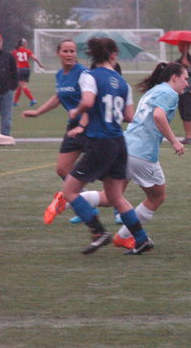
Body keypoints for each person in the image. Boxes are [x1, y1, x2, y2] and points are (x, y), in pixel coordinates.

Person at [48, 62, 189, 250]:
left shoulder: (154, 91)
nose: (187, 83)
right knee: (157, 197)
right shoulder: (170, 93)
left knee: (112, 197)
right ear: (174, 77)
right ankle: (124, 236)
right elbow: (158, 115)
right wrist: (174, 141)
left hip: (124, 147)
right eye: (185, 78)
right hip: (142, 153)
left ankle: (66, 198)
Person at [53, 37, 153, 254]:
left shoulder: (89, 76)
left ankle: (98, 232)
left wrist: (77, 111)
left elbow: (88, 101)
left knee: (69, 191)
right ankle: (141, 239)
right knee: (115, 197)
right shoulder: (123, 83)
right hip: (119, 142)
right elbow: (129, 116)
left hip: (100, 142)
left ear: (92, 54)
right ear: (113, 54)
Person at [23, 39, 97, 224]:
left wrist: (83, 123)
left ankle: (119, 210)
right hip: (73, 127)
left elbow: (90, 100)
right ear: (58, 53)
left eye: (72, 51)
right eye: (66, 51)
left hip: (89, 126)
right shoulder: (60, 75)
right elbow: (58, 97)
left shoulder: (82, 73)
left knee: (104, 172)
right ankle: (85, 203)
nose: (69, 54)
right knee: (63, 169)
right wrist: (38, 112)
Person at [176, 41, 191, 144]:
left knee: (187, 113)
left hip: (189, 90)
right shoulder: (178, 61)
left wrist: (188, 65)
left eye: (183, 46)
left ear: (188, 47)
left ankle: (189, 136)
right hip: (179, 91)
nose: (181, 48)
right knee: (182, 112)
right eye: (180, 46)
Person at [0, 33, 18, 136]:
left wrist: (12, 86)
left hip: (7, 91)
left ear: (1, 42)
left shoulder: (9, 56)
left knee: (7, 118)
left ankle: (5, 136)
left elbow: (14, 72)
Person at [12, 38, 45, 106]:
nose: (26, 44)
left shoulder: (15, 51)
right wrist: (40, 64)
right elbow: (35, 58)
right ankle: (15, 102)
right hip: (27, 69)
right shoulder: (27, 51)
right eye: (25, 43)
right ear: (22, 44)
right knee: (19, 86)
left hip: (20, 70)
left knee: (23, 86)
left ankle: (33, 100)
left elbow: (10, 60)